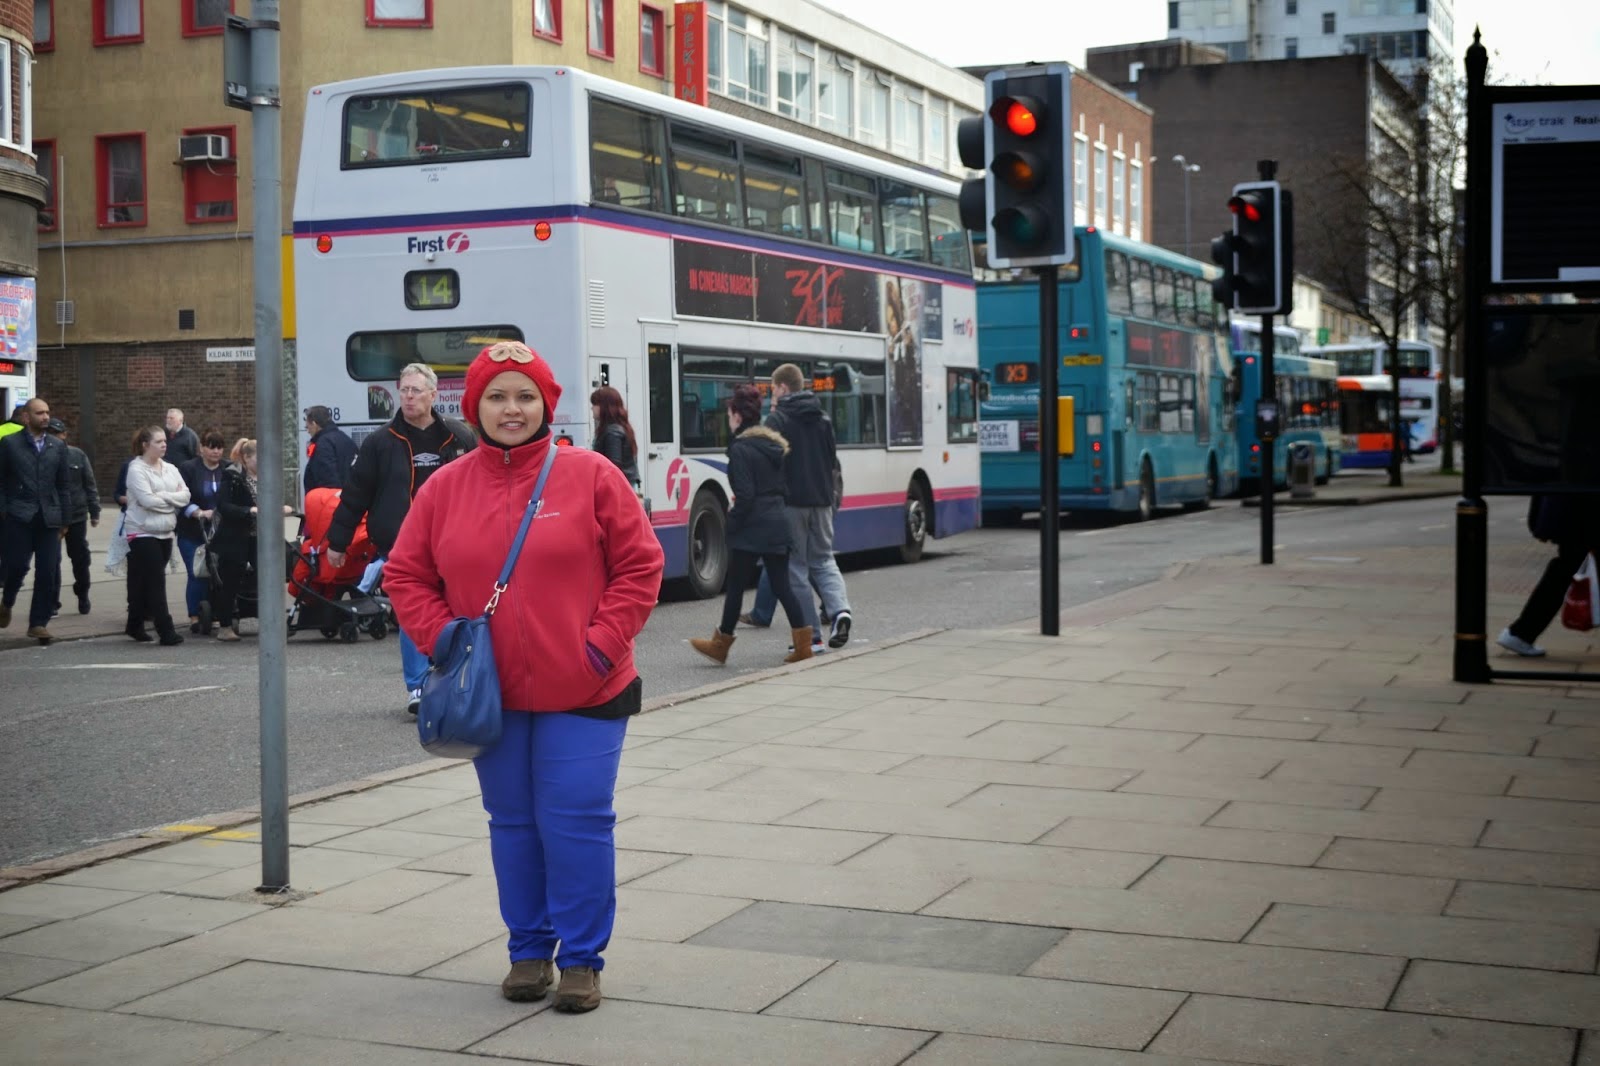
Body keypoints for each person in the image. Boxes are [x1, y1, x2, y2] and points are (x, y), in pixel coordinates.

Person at [385, 341, 663, 1014]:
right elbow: (405, 574)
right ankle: (529, 951)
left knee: (576, 821)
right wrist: (446, 638)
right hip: (491, 695)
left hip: (589, 688)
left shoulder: (592, 474)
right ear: (475, 406)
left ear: (547, 405)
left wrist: (599, 646)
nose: (513, 409)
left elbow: (640, 567)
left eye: (526, 395)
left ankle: (582, 960)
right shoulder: (446, 487)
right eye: (498, 396)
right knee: (512, 822)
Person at [327, 362, 476, 715]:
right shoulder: (381, 442)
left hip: (454, 541)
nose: (408, 397)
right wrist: (337, 540)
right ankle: (419, 686)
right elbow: (356, 493)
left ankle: (454, 678)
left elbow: (482, 485)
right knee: (413, 612)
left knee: (457, 608)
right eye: (404, 390)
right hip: (402, 543)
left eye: (416, 391)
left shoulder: (459, 436)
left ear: (433, 395)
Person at [689, 385, 814, 666]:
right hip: (778, 522)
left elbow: (745, 496)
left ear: (736, 416)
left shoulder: (741, 449)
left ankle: (720, 645)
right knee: (782, 585)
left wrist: (731, 523)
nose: (728, 419)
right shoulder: (774, 446)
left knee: (735, 587)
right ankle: (804, 644)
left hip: (752, 526)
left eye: (729, 413)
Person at [763, 363, 852, 650]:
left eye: (773, 388)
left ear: (783, 388)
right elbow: (831, 461)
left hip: (792, 504)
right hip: (823, 501)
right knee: (824, 560)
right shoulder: (823, 418)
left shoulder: (777, 421)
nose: (772, 394)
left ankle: (811, 635)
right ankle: (840, 611)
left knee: (795, 568)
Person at [0, 398, 72, 642]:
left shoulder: (56, 446)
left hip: (48, 517)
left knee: (48, 571)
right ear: (26, 417)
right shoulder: (9, 444)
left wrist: (65, 519)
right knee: (17, 565)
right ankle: (7, 601)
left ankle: (38, 623)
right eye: (40, 413)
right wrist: (4, 511)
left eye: (47, 412)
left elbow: (63, 485)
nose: (45, 417)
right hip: (18, 515)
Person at [1497, 494, 1600, 657]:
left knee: (1566, 567)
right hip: (1582, 511)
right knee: (1566, 569)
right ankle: (1521, 633)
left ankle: (1521, 633)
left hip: (1573, 509)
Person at [123, 424, 190, 646]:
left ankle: (134, 624)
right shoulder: (136, 469)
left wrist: (163, 497)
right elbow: (146, 501)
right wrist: (172, 501)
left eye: (164, 441)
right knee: (155, 581)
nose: (164, 445)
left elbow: (186, 496)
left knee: (141, 581)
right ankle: (166, 630)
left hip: (164, 531)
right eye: (158, 442)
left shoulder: (170, 468)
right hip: (141, 532)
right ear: (145, 445)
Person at [211, 439, 283, 642]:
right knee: (231, 581)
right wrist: (248, 510)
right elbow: (224, 506)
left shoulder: (267, 477)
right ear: (247, 458)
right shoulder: (232, 476)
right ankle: (225, 626)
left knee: (268, 579)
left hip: (260, 537)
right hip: (235, 537)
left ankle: (271, 622)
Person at [176, 429, 229, 631]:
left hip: (220, 531)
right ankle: (194, 615)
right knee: (197, 572)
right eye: (211, 447)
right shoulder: (188, 468)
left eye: (219, 447)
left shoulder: (228, 468)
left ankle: (214, 612)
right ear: (202, 448)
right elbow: (181, 497)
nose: (216, 451)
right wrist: (197, 511)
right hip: (192, 531)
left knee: (217, 573)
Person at [47, 418, 99, 616]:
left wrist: (94, 511)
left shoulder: (77, 455)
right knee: (52, 560)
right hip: (52, 516)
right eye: (49, 434)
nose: (54, 438)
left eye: (57, 434)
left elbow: (89, 484)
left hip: (76, 515)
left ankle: (82, 592)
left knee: (80, 559)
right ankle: (52, 601)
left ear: (64, 435)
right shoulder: (42, 457)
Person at [589, 386, 640, 489]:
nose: (592, 408)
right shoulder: (619, 428)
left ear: (604, 407)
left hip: (618, 486)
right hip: (624, 483)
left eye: (595, 404)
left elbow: (613, 465)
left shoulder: (612, 432)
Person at [303, 405, 357, 495]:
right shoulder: (346, 439)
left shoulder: (323, 445)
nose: (308, 431)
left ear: (314, 424)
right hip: (352, 501)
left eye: (307, 427)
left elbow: (327, 482)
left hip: (331, 504)